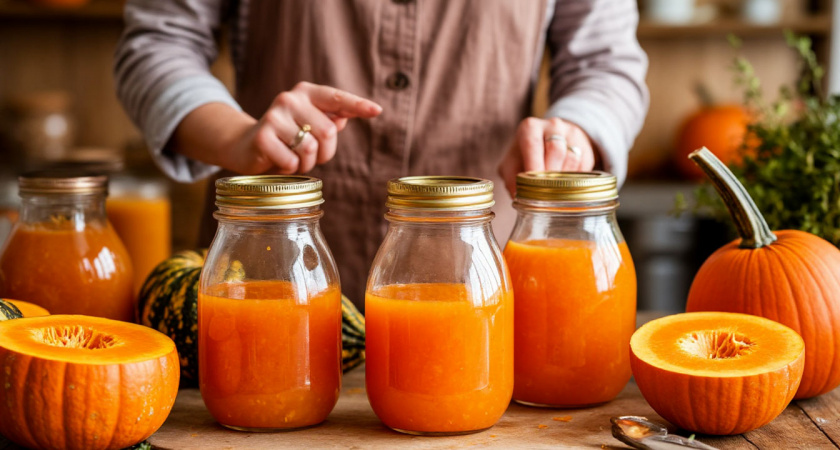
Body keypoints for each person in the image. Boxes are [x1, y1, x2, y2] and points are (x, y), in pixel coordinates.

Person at [114, 0, 649, 306]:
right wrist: (237, 136)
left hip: (486, 284)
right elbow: (158, 44)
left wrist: (573, 134)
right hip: (264, 276)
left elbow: (607, 65)